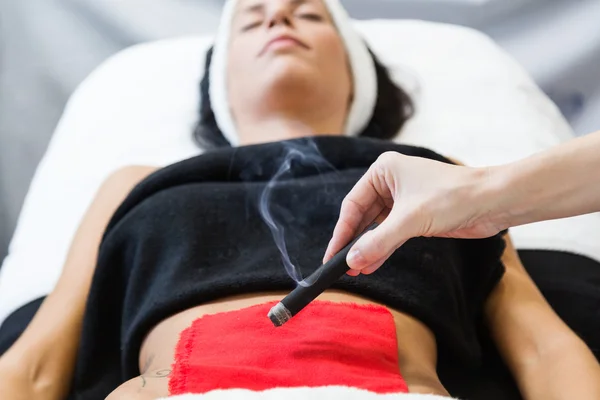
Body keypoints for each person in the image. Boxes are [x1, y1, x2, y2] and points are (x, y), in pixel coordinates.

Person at [0, 1, 598, 400]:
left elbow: (544, 350)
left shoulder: (439, 181)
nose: (279, 16)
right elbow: (35, 367)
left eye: (310, 15)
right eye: (252, 19)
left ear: (357, 71)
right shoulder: (137, 182)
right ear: (220, 79)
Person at [324, 130, 600, 274]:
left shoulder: (433, 171)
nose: (283, 20)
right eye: (276, 17)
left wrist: (482, 194)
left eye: (310, 17)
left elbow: (537, 345)